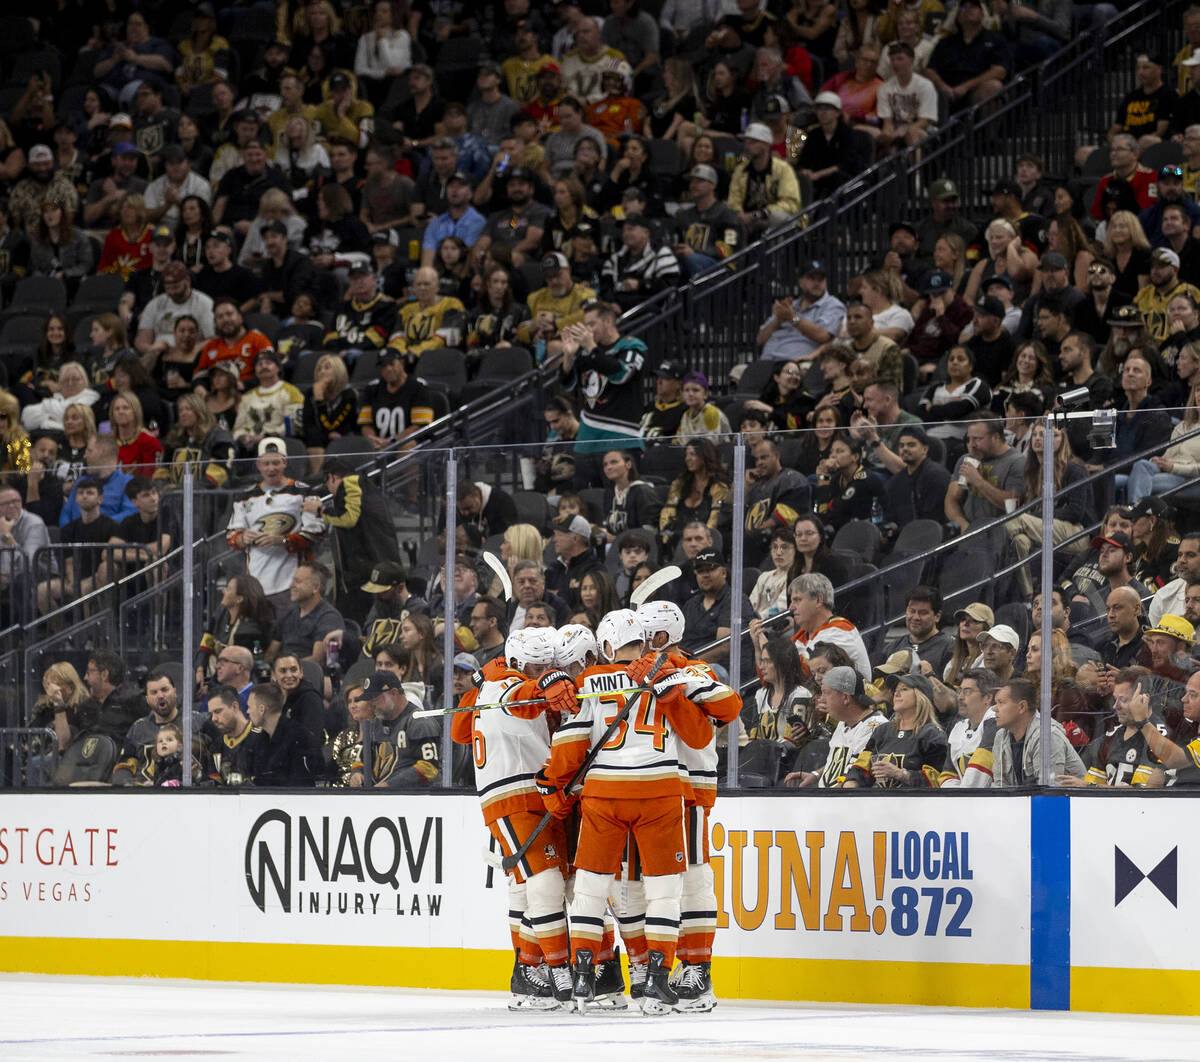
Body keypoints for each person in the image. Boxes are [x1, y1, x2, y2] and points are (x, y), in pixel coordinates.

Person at [539, 610, 713, 1014]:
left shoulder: (589, 681)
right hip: (660, 790)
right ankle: (656, 979)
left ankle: (584, 976)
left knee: (591, 886)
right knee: (664, 891)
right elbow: (700, 734)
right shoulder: (666, 671)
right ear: (646, 640)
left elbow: (571, 744)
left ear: (606, 646)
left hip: (604, 793)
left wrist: (553, 780)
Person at [449, 625, 576, 1007]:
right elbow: (523, 696)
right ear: (520, 662)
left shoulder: (492, 681)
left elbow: (459, 729)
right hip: (512, 797)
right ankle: (555, 972)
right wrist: (542, 686)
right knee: (545, 883)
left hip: (533, 795)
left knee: (530, 887)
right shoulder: (505, 684)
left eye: (547, 665)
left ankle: (527, 970)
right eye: (536, 665)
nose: (542, 670)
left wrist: (480, 685)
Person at [226, 438, 324, 613]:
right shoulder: (245, 496)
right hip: (256, 585)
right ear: (258, 464)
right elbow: (232, 536)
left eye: (276, 463)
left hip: (293, 584)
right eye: (266, 463)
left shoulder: (303, 492)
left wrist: (283, 540)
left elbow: (315, 533)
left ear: (285, 462)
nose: (271, 468)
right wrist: (242, 538)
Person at [558, 300, 647, 481]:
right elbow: (568, 385)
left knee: (620, 501)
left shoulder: (632, 346)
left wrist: (591, 347)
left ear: (608, 322)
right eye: (586, 325)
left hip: (622, 438)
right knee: (586, 501)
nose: (587, 331)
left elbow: (620, 374)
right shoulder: (585, 352)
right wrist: (568, 355)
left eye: (592, 324)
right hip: (586, 441)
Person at [783, 665, 887, 787]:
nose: (821, 699)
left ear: (845, 698)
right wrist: (816, 775)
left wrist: (824, 795)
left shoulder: (875, 727)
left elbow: (852, 775)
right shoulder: (844, 723)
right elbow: (839, 764)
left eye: (826, 693)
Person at [843, 672, 949, 788]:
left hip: (913, 803)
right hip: (877, 801)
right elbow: (861, 768)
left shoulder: (931, 735)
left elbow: (937, 780)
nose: (896, 693)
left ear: (921, 696)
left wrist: (900, 774)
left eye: (904, 689)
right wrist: (851, 784)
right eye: (895, 690)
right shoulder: (882, 731)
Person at [975, 677, 1087, 786]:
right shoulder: (1001, 736)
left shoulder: (1047, 736)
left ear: (1022, 707)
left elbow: (1049, 790)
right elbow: (1000, 786)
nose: (994, 708)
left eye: (1001, 702)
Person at [350, 670, 441, 788]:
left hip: (412, 799)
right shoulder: (375, 722)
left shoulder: (419, 721)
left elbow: (429, 767)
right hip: (378, 797)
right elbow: (361, 756)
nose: (371, 704)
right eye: (369, 699)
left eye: (375, 698)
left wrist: (390, 786)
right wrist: (356, 772)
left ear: (394, 693)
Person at [777, 572, 871, 679]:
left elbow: (809, 673)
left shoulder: (840, 630)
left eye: (797, 600)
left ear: (818, 600)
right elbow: (778, 677)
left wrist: (774, 656)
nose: (791, 607)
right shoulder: (803, 634)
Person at [945, 411, 1025, 534]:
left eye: (977, 439)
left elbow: (1011, 504)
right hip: (969, 531)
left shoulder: (1016, 462)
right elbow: (951, 500)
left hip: (1001, 532)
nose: (971, 445)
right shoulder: (966, 459)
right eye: (969, 439)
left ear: (996, 437)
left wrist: (978, 481)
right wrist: (962, 523)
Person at [924, 0, 1010, 111]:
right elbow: (929, 70)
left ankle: (986, 129)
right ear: (957, 16)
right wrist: (944, 87)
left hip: (976, 92)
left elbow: (999, 71)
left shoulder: (995, 40)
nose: (967, 10)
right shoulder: (945, 42)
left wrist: (965, 87)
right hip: (946, 93)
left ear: (982, 14)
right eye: (963, 8)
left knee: (993, 87)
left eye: (973, 7)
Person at [680, 548, 754, 665]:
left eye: (711, 569)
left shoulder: (735, 600)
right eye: (700, 571)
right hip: (688, 668)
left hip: (721, 670)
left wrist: (687, 664)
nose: (705, 575)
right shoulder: (691, 604)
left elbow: (723, 647)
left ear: (724, 572)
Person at [729, 122, 803, 238]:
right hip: (746, 220)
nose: (747, 146)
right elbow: (733, 200)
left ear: (766, 145)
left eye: (753, 142)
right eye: (746, 142)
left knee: (780, 217)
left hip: (770, 217)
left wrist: (758, 214)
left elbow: (790, 203)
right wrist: (740, 214)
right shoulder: (740, 170)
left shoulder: (783, 169)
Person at [658, 440, 732, 552]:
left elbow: (715, 520)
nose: (687, 458)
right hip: (677, 540)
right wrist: (665, 537)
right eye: (686, 455)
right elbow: (667, 513)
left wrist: (703, 540)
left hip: (703, 543)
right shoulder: (679, 485)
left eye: (692, 454)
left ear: (704, 456)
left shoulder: (719, 487)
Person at [358, 348, 437, 450]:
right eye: (383, 366)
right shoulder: (372, 389)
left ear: (402, 363)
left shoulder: (418, 387)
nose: (388, 369)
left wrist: (391, 441)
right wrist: (374, 440)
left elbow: (418, 426)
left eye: (391, 364)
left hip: (408, 442)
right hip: (380, 445)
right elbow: (366, 424)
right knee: (363, 447)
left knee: (407, 447)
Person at [245, 681, 319, 787]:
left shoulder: (299, 738)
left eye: (249, 707)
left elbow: (302, 784)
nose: (247, 712)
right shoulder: (260, 739)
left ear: (262, 709)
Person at [813, 434, 886, 531]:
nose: (833, 456)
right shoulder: (837, 478)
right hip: (847, 529)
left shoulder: (863, 479)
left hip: (871, 530)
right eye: (832, 452)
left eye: (840, 451)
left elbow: (840, 508)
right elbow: (819, 511)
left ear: (855, 457)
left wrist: (823, 480)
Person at [884, 425, 953, 525]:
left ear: (925, 449)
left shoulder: (936, 476)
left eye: (911, 445)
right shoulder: (896, 481)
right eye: (901, 446)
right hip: (903, 534)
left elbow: (933, 518)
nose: (905, 449)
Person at [206, 683, 264, 787]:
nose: (213, 718)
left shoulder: (262, 738)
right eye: (211, 714)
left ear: (235, 707)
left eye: (218, 711)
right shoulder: (216, 746)